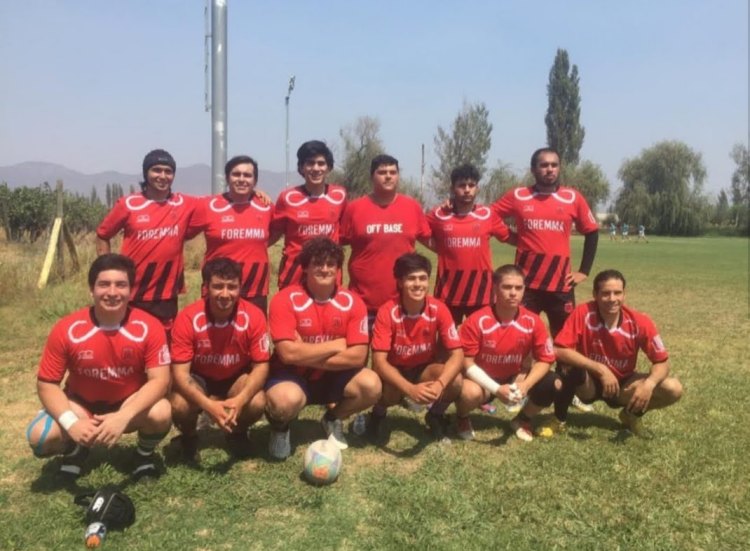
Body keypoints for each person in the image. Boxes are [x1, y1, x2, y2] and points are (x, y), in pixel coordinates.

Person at [26, 254, 172, 479]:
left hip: (127, 403)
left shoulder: (150, 326)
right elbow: (47, 384)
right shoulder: (67, 328)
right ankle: (74, 451)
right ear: (91, 290)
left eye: (121, 285)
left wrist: (124, 416)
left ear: (131, 291)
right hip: (81, 405)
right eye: (104, 284)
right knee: (39, 437)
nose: (112, 292)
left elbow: (160, 380)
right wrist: (71, 424)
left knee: (161, 412)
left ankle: (143, 455)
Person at [492, 147, 600, 426]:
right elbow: (489, 217)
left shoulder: (572, 197)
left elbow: (592, 231)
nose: (549, 169)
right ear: (533, 169)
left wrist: (584, 271)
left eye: (554, 165)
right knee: (522, 342)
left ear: (559, 168)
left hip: (560, 286)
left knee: (565, 344)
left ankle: (567, 392)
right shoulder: (519, 196)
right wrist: (511, 237)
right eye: (543, 165)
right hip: (526, 286)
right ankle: (521, 389)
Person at [265, 237, 381, 460]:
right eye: (318, 263)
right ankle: (280, 429)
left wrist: (303, 351)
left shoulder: (353, 301)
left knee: (371, 386)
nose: (325, 269)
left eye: (331, 264)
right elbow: (287, 354)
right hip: (291, 375)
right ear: (305, 267)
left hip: (333, 376)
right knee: (284, 402)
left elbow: (358, 357)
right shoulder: (284, 299)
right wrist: (336, 345)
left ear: (338, 269)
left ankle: (332, 418)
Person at [553, 270, 682, 435]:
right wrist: (600, 369)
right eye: (606, 293)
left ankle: (631, 415)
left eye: (617, 293)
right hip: (588, 383)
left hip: (622, 385)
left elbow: (662, 363)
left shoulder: (640, 322)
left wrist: (649, 384)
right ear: (595, 295)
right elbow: (559, 349)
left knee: (673, 388)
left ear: (624, 294)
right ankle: (558, 419)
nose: (612, 299)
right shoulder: (583, 313)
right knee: (568, 364)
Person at [169, 258, 270, 461]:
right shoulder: (188, 318)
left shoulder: (255, 316)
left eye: (232, 287)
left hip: (234, 377)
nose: (225, 294)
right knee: (179, 404)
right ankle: (189, 437)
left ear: (240, 287)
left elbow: (261, 366)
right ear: (206, 287)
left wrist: (240, 400)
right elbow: (180, 374)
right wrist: (209, 406)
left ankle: (237, 433)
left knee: (257, 402)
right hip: (200, 378)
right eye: (218, 286)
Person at [365, 253, 464, 443]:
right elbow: (379, 362)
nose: (418, 284)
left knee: (456, 381)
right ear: (400, 282)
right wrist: (410, 390)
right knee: (388, 391)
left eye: (423, 278)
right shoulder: (387, 311)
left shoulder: (439, 308)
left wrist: (440, 384)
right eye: (411, 278)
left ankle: (435, 415)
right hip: (395, 368)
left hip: (423, 369)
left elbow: (457, 355)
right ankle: (378, 414)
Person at [96, 149, 197, 334]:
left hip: (165, 290)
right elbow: (103, 234)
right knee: (130, 338)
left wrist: (252, 195)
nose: (163, 176)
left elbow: (218, 205)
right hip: (133, 288)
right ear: (146, 173)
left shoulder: (184, 203)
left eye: (168, 171)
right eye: (156, 170)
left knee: (164, 340)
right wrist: (107, 269)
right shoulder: (128, 204)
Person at [454, 265, 560, 441]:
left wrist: (525, 385)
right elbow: (467, 362)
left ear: (524, 290)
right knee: (469, 393)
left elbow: (546, 359)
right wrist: (496, 389)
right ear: (495, 289)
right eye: (507, 287)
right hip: (482, 379)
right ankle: (462, 417)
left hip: (514, 378)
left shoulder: (533, 321)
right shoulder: (477, 320)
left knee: (553, 382)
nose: (513, 293)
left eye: (518, 288)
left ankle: (522, 419)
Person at [340, 154, 432, 327]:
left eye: (393, 172)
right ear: (372, 176)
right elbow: (336, 243)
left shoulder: (412, 207)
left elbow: (432, 242)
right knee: (360, 345)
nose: (388, 176)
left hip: (403, 301)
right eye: (382, 172)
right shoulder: (354, 208)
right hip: (362, 302)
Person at [427, 163, 513, 326]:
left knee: (483, 338)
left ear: (477, 188)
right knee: (446, 339)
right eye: (461, 185)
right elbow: (418, 230)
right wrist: (439, 248)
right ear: (452, 188)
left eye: (471, 185)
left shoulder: (487, 215)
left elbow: (509, 237)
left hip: (481, 293)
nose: (467, 190)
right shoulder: (439, 214)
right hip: (448, 292)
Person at [189, 155, 275, 313]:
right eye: (236, 174)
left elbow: (277, 232)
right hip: (219, 288)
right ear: (227, 178)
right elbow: (184, 233)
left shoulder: (266, 207)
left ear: (255, 180)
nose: (241, 179)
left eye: (247, 175)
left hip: (255, 290)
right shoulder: (208, 206)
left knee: (254, 328)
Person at [271, 141, 347, 290]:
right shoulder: (287, 198)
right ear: (301, 167)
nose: (316, 168)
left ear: (329, 167)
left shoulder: (339, 195)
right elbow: (273, 234)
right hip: (294, 275)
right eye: (310, 163)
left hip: (327, 274)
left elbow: (345, 233)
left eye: (321, 163)